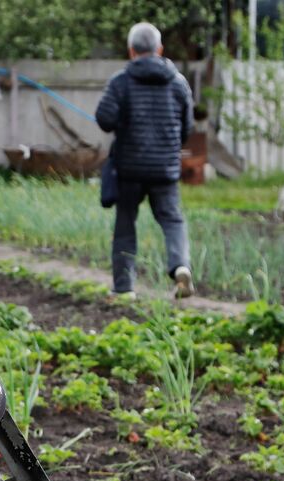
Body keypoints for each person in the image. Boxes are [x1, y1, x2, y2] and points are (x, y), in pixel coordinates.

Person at [95, 22, 195, 299]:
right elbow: (187, 128)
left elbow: (104, 119)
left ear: (131, 51)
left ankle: (125, 288)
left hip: (129, 169)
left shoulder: (121, 81)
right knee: (172, 220)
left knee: (126, 224)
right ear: (160, 49)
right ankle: (180, 268)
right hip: (165, 169)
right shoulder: (178, 82)